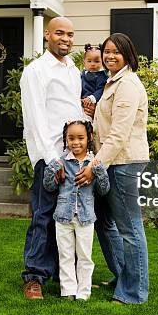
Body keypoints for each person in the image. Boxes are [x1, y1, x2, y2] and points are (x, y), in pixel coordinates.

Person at [75, 33, 150, 304]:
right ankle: (123, 275)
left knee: (129, 228)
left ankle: (134, 291)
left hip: (123, 163)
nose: (109, 56)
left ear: (128, 54)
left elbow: (118, 134)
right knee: (105, 223)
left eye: (116, 52)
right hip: (110, 162)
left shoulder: (127, 84)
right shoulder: (111, 82)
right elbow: (105, 124)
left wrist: (94, 166)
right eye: (107, 51)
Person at [20, 17, 88, 299]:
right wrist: (52, 161)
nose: (66, 39)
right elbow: (35, 119)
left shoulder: (73, 70)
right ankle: (34, 277)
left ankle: (65, 278)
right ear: (47, 35)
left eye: (70, 34)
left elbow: (71, 113)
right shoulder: (36, 71)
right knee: (43, 216)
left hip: (72, 158)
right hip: (49, 158)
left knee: (68, 218)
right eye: (60, 33)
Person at [43, 120, 109, 301]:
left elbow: (104, 190)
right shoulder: (61, 162)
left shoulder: (93, 163)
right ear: (65, 140)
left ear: (89, 138)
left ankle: (84, 292)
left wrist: (99, 171)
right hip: (63, 218)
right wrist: (53, 169)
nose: (76, 142)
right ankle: (67, 290)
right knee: (65, 255)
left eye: (81, 138)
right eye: (71, 138)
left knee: (85, 256)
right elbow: (49, 187)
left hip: (86, 218)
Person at [81, 43, 108, 121]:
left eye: (96, 61)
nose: (93, 64)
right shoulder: (82, 74)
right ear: (84, 62)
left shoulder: (101, 76)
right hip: (82, 103)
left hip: (92, 103)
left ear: (102, 62)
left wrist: (92, 98)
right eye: (89, 61)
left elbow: (101, 89)